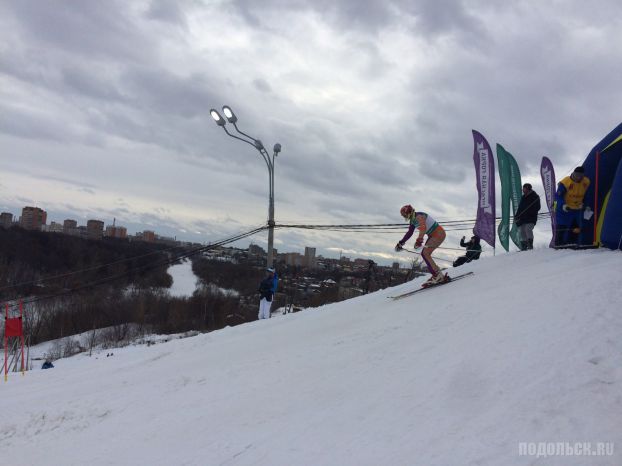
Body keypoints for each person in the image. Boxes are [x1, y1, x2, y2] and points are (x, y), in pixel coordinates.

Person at [395, 204, 449, 286]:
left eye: (404, 215)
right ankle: (437, 275)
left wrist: (419, 241)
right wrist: (401, 242)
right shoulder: (413, 220)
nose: (404, 217)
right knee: (424, 254)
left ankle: (437, 275)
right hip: (433, 235)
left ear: (409, 212)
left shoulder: (419, 216)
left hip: (438, 234)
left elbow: (423, 228)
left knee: (425, 253)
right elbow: (409, 233)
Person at [555, 166, 590, 247]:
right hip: (565, 208)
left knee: (576, 226)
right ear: (573, 174)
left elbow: (586, 194)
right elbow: (558, 196)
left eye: (580, 175)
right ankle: (559, 243)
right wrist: (562, 205)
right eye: (576, 175)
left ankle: (572, 242)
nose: (578, 177)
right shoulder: (565, 182)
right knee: (562, 225)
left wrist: (586, 205)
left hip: (577, 208)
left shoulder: (586, 182)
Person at [514, 183, 541, 250]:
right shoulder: (523, 197)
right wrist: (517, 216)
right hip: (523, 218)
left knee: (528, 229)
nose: (523, 190)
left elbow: (538, 207)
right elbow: (520, 208)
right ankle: (524, 246)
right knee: (522, 230)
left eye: (524, 188)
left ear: (528, 188)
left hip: (531, 217)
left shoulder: (535, 196)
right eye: (523, 188)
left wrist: (530, 211)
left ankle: (530, 245)